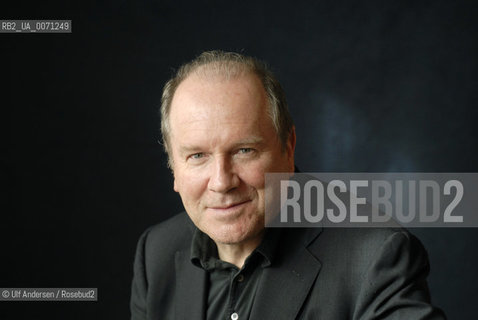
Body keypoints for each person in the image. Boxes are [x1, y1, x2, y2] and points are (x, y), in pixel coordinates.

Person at [130, 51, 446, 320]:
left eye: (244, 151)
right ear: (174, 166)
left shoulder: (375, 255)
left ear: (289, 145)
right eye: (197, 156)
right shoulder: (156, 252)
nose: (222, 181)